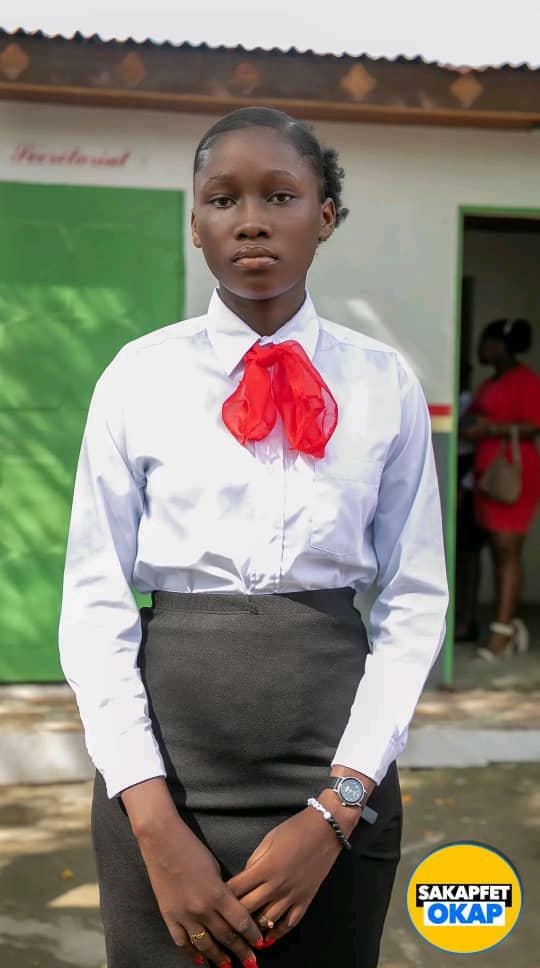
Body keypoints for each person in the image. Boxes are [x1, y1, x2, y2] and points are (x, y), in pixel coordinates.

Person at [58, 107, 448, 968]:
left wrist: (338, 809)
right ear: (195, 224)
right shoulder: (138, 378)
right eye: (223, 199)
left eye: (280, 195)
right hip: (163, 777)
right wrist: (153, 824)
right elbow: (93, 600)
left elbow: (415, 598)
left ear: (326, 216)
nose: (252, 220)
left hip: (337, 771)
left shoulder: (382, 384)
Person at [462, 318, 540, 660]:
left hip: (512, 475)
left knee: (507, 551)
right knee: (496, 551)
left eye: (486, 341)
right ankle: (510, 623)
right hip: (487, 477)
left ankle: (503, 632)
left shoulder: (525, 380)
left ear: (500, 345)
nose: (480, 348)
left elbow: (534, 425)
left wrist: (490, 429)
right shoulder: (492, 382)